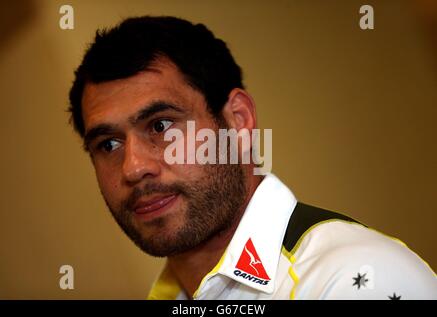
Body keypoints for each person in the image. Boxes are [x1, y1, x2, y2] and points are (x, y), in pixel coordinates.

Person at [68, 16, 436, 300]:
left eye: (161, 125)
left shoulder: (355, 278)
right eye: (108, 145)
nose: (133, 167)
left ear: (237, 120)